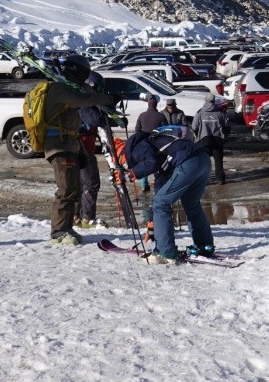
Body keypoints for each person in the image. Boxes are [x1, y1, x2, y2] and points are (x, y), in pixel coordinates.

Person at [38, 54, 121, 246]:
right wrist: (106, 99)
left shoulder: (68, 87)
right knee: (66, 188)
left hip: (70, 143)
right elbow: (82, 100)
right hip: (58, 145)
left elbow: (83, 99)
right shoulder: (60, 88)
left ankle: (67, 227)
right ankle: (58, 231)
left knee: (74, 188)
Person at [124, 123, 215, 265]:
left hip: (187, 161)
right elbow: (160, 188)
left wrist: (131, 173)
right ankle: (204, 245)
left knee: (161, 203)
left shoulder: (137, 147)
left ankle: (165, 252)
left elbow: (150, 162)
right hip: (203, 159)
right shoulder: (159, 146)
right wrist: (152, 224)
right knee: (191, 204)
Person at [75, 72, 116, 230]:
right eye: (98, 89)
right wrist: (110, 112)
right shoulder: (85, 102)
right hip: (83, 148)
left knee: (80, 184)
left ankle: (76, 216)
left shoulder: (79, 98)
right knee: (91, 184)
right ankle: (87, 218)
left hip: (77, 146)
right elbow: (95, 120)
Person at [190, 96, 229, 184]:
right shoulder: (220, 112)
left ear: (205, 100)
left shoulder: (200, 113)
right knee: (218, 161)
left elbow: (194, 126)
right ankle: (220, 179)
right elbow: (227, 125)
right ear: (214, 101)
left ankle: (203, 179)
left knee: (204, 162)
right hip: (217, 140)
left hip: (204, 140)